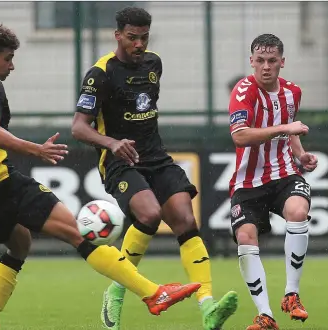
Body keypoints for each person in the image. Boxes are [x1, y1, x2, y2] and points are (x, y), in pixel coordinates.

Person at [0, 23, 203, 330]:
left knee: (19, 244)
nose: (11, 66)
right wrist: (36, 150)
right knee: (78, 235)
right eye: (8, 58)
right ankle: (153, 294)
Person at [72, 7, 238, 330]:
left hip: (156, 156)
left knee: (186, 218)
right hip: (120, 160)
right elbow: (79, 127)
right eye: (132, 38)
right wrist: (111, 143)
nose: (139, 44)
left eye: (144, 37)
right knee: (148, 214)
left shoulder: (153, 64)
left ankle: (208, 307)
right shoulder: (100, 73)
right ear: (117, 34)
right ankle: (116, 292)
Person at [228, 33, 318, 330]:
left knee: (298, 211)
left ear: (282, 62)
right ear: (251, 62)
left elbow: (290, 131)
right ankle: (265, 315)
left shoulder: (293, 92)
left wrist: (301, 155)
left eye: (271, 61)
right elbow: (240, 135)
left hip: (283, 173)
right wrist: (284, 127)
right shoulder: (243, 91)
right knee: (246, 237)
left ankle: (292, 295)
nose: (265, 67)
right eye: (260, 61)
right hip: (248, 181)